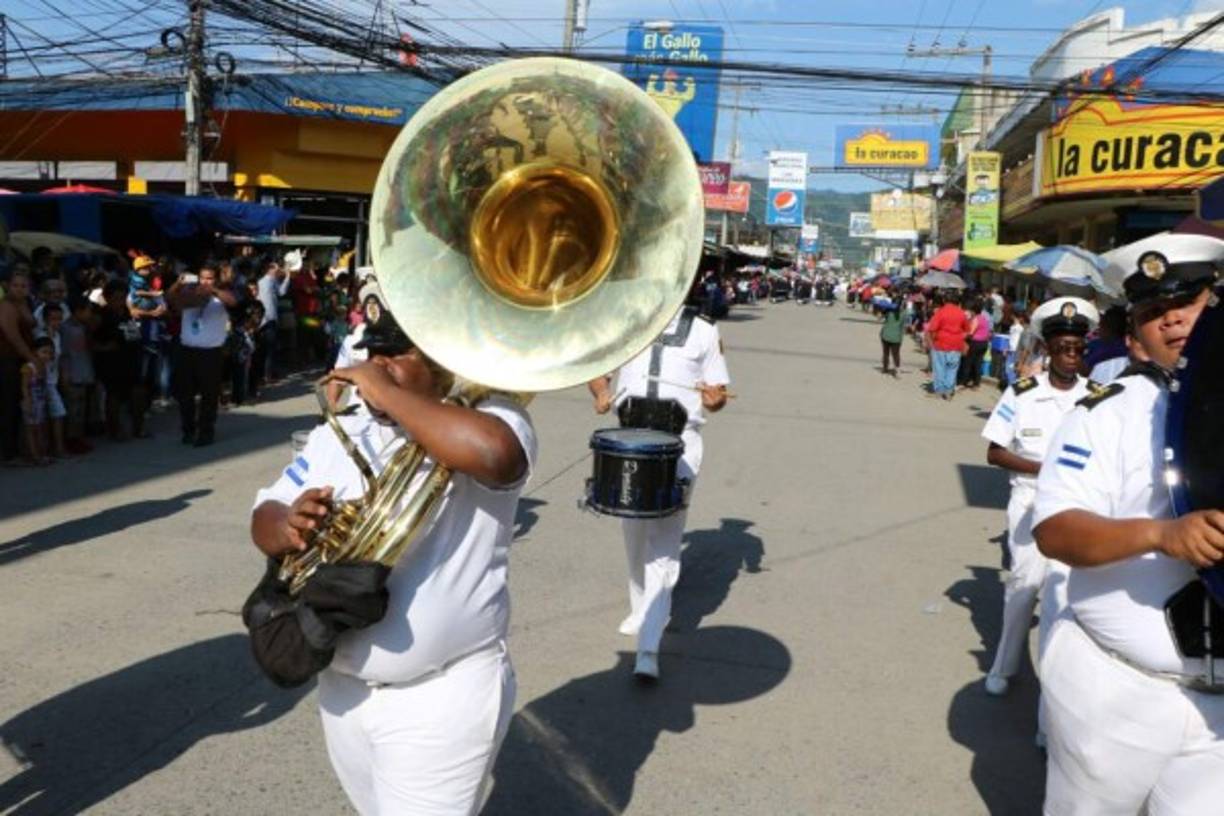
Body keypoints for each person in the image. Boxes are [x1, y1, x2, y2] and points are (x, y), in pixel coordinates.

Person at [249, 290, 536, 815]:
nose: (378, 367)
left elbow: (495, 457)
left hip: (442, 696)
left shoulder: (493, 418)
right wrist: (287, 526)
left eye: (397, 356)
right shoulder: (345, 430)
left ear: (447, 362)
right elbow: (265, 511)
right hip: (343, 685)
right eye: (374, 355)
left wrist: (385, 391)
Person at [1032, 234, 1224, 813]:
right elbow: (1056, 531)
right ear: (1135, 336)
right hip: (1118, 690)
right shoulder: (1105, 414)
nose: (1171, 322)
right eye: (1151, 314)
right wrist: (1160, 535)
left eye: (1186, 304)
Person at [587, 290, 730, 681]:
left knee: (663, 544)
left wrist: (715, 399)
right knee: (632, 532)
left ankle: (649, 646)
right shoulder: (626, 323)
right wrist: (601, 391)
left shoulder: (703, 331)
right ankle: (641, 608)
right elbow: (593, 366)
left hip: (680, 445)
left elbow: (717, 394)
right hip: (628, 440)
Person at [979, 296, 1098, 701]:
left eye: (1078, 349)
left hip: (1080, 505)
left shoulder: (1098, 398)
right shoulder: (1023, 393)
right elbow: (995, 452)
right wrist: (1044, 470)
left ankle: (1053, 698)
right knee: (1025, 585)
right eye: (1063, 348)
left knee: (1063, 596)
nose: (1071, 356)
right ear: (1048, 350)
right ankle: (1003, 664)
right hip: (1030, 501)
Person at [170, 263, 237, 447]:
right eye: (203, 278)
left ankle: (206, 432)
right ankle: (188, 430)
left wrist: (213, 289)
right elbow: (172, 300)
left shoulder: (219, 298)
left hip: (211, 353)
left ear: (215, 279)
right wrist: (178, 283)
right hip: (187, 351)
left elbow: (233, 301)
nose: (205, 281)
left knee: (209, 395)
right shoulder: (190, 295)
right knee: (186, 395)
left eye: (210, 278)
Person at [93, 279, 147, 440]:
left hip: (131, 359)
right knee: (114, 395)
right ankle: (115, 432)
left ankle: (138, 429)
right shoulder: (100, 315)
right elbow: (90, 341)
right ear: (107, 298)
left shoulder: (125, 312)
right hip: (111, 362)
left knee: (138, 392)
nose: (120, 301)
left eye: (123, 297)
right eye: (116, 298)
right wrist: (104, 348)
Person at [0, 271, 39, 464]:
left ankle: (18, 449)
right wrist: (31, 358)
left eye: (24, 286)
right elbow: (13, 337)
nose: (20, 289)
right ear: (8, 286)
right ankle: (8, 453)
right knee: (8, 406)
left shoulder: (25, 304)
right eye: (16, 285)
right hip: (7, 360)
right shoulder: (6, 306)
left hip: (19, 361)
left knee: (18, 405)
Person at [925, 290, 968, 400]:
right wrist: (959, 338)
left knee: (939, 368)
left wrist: (930, 343)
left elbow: (932, 329)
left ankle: (939, 391)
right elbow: (967, 330)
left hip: (941, 344)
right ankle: (948, 392)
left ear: (944, 300)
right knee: (952, 368)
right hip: (956, 345)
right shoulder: (961, 313)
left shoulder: (940, 312)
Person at [20, 336, 56, 465]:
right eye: (44, 352)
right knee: (31, 430)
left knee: (41, 428)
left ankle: (42, 454)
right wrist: (27, 401)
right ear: (35, 351)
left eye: (50, 352)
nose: (47, 355)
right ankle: (35, 455)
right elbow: (24, 386)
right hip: (31, 402)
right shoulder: (29, 367)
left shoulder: (44, 366)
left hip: (40, 402)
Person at [879, 300, 904, 377]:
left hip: (885, 335)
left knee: (886, 353)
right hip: (896, 338)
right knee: (896, 354)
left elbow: (879, 318)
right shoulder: (903, 314)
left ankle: (885, 368)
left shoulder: (888, 312)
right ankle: (897, 370)